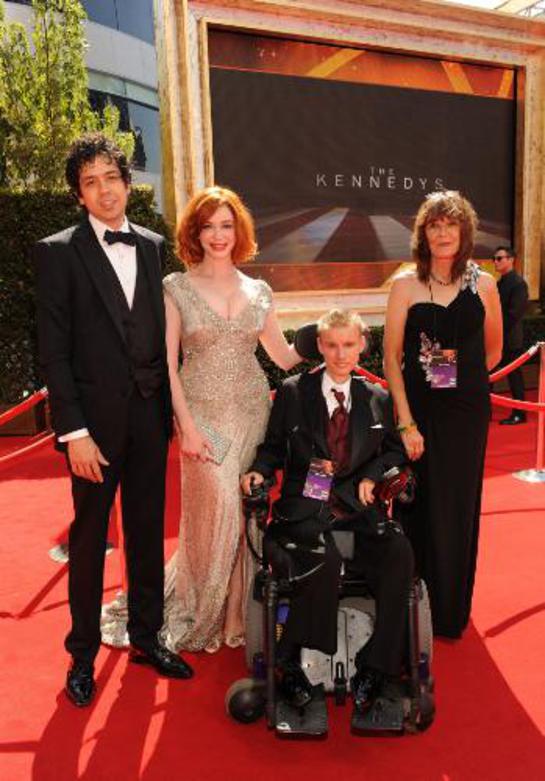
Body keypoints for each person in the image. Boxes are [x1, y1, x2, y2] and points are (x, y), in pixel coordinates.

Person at [102, 185, 301, 653]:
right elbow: (167, 363)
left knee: (247, 508)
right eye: (208, 225)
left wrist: (332, 341)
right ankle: (205, 608)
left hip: (253, 410)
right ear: (195, 232)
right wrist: (185, 426)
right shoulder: (177, 287)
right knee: (218, 509)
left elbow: (282, 356)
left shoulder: (259, 290)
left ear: (239, 231)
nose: (218, 235)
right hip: (203, 417)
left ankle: (236, 614)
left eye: (226, 225)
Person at [34, 133, 193, 707]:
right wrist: (72, 431)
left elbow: (160, 336)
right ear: (80, 195)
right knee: (88, 538)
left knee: (148, 535)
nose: (103, 190)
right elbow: (53, 351)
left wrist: (173, 413)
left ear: (129, 182)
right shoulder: (57, 252)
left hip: (149, 420)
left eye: (111, 177)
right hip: (92, 432)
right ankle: (81, 654)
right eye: (90, 182)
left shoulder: (152, 246)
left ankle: (148, 638)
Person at [241, 309, 413, 714]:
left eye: (348, 345)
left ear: (361, 346)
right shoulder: (293, 392)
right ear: (319, 346)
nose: (340, 354)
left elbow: (392, 452)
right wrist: (257, 472)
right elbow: (271, 448)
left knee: (399, 553)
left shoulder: (378, 399)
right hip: (303, 518)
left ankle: (377, 666)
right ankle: (289, 664)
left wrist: (375, 474)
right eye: (332, 345)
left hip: (358, 515)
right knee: (325, 555)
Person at [383, 190, 502, 639]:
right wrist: (406, 421)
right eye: (434, 225)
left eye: (451, 225)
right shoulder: (405, 285)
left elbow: (492, 349)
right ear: (423, 233)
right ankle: (412, 604)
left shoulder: (484, 284)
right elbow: (391, 359)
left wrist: (465, 383)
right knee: (416, 500)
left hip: (467, 413)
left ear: (464, 231)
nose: (443, 233)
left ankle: (450, 611)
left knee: (458, 504)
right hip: (420, 411)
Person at [492, 246, 529, 425]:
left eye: (499, 258)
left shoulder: (518, 283)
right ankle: (485, 411)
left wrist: (496, 331)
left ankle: (520, 413)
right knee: (489, 373)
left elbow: (514, 314)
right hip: (497, 338)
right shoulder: (500, 283)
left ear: (511, 259)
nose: (496, 262)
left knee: (514, 376)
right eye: (495, 259)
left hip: (510, 339)